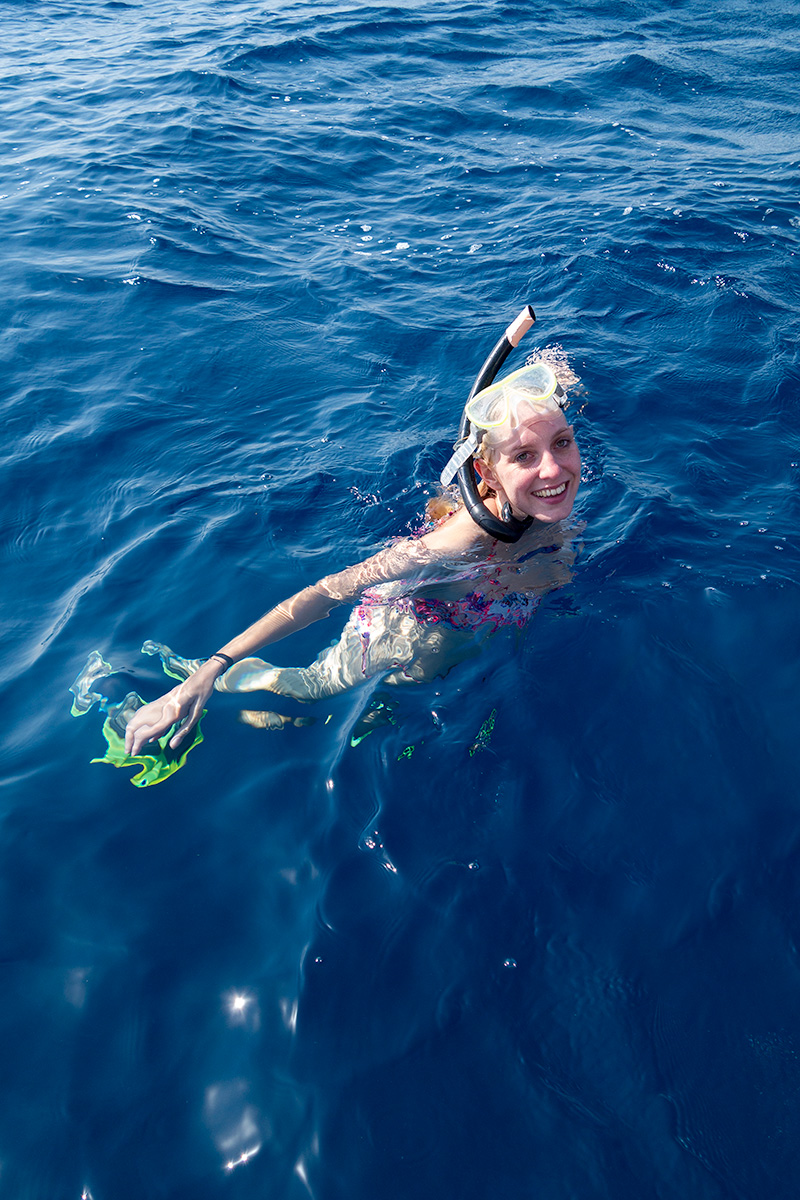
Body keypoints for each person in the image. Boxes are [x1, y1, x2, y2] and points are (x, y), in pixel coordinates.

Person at [124, 320, 582, 761]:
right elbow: (327, 591)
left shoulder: (541, 499)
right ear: (486, 474)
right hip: (407, 627)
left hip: (474, 620)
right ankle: (203, 689)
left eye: (562, 443)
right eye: (524, 456)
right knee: (319, 690)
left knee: (384, 712)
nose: (554, 470)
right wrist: (212, 667)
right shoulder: (452, 544)